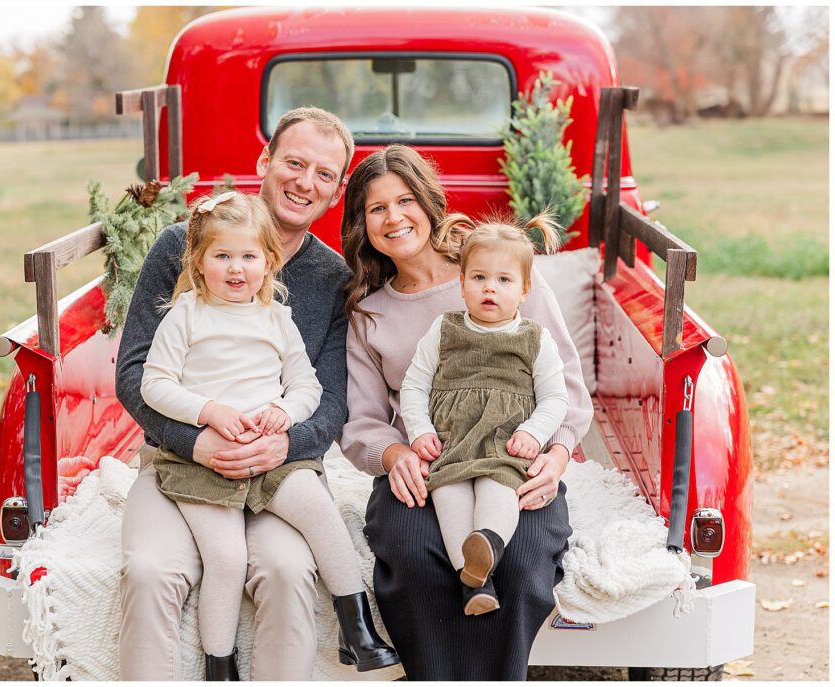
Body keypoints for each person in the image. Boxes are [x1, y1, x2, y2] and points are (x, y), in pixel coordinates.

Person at [115, 107, 359, 681]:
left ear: (337, 189)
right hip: (180, 461)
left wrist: (284, 445)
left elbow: (329, 398)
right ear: (264, 162)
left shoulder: (331, 278)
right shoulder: (185, 245)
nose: (306, 182)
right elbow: (133, 374)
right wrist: (196, 441)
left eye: (324, 174)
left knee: (288, 570)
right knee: (150, 571)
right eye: (294, 163)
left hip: (279, 465)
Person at [339, 144, 594, 680]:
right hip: (428, 462)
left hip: (513, 456)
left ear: (429, 204)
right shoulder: (369, 312)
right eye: (376, 208)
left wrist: (559, 453)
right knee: (414, 560)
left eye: (404, 200)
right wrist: (392, 453)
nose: (393, 218)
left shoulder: (495, 271)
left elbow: (564, 384)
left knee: (522, 567)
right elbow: (362, 419)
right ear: (363, 224)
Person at [139, 190, 398, 678]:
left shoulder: (277, 318)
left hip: (273, 456)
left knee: (322, 513)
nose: (236, 269)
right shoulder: (187, 315)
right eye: (222, 256)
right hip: (203, 462)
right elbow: (153, 384)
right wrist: (207, 411)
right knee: (228, 557)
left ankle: (356, 629)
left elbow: (307, 385)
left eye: (248, 257)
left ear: (269, 262)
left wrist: (284, 410)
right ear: (198, 262)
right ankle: (221, 666)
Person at [399, 215, 568, 617]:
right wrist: (420, 431)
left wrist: (533, 432)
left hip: (505, 445)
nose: (489, 287)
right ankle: (476, 578)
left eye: (504, 280)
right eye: (478, 278)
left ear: (526, 289)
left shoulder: (533, 338)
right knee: (448, 498)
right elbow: (414, 385)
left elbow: (555, 398)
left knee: (498, 493)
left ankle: (486, 549)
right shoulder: (444, 329)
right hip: (451, 443)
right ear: (461, 284)